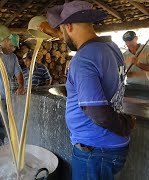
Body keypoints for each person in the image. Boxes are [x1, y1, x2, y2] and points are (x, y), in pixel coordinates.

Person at [46, 1, 135, 179]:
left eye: (62, 31)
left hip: (95, 150)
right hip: (108, 148)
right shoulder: (112, 48)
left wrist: (126, 124)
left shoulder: (84, 58)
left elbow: (97, 111)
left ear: (69, 26)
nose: (63, 37)